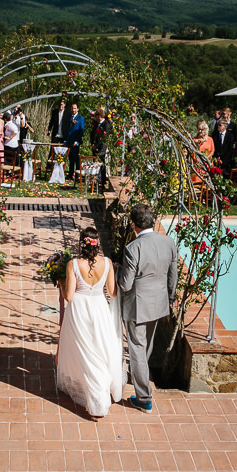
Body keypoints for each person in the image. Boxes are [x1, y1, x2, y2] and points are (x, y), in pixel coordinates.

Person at [115, 204, 179, 414]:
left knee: (137, 348)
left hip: (137, 306)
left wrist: (116, 272)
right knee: (145, 345)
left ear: (134, 225)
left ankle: (143, 398)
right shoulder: (168, 242)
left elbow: (125, 284)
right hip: (159, 304)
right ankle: (138, 373)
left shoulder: (133, 248)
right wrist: (169, 297)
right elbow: (173, 276)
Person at [56, 227, 122, 419]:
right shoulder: (107, 263)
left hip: (79, 309)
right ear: (97, 243)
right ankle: (99, 391)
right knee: (98, 350)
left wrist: (60, 283)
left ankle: (98, 400)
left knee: (84, 351)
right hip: (99, 309)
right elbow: (112, 293)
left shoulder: (73, 264)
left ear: (81, 242)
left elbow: (68, 296)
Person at [91, 108, 112, 190]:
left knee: (102, 166)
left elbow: (104, 138)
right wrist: (93, 144)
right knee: (95, 165)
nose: (95, 117)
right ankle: (96, 182)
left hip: (101, 148)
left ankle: (102, 182)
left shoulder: (106, 125)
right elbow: (92, 134)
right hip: (94, 147)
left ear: (99, 116)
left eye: (96, 115)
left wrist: (97, 146)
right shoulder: (96, 124)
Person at [66, 103, 85, 180]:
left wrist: (77, 141)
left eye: (75, 108)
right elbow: (67, 129)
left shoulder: (80, 118)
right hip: (69, 141)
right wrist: (66, 139)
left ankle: (77, 175)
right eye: (72, 108)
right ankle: (70, 174)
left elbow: (82, 130)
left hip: (76, 142)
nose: (73, 110)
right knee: (70, 159)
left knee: (76, 159)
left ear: (77, 109)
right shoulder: (69, 118)